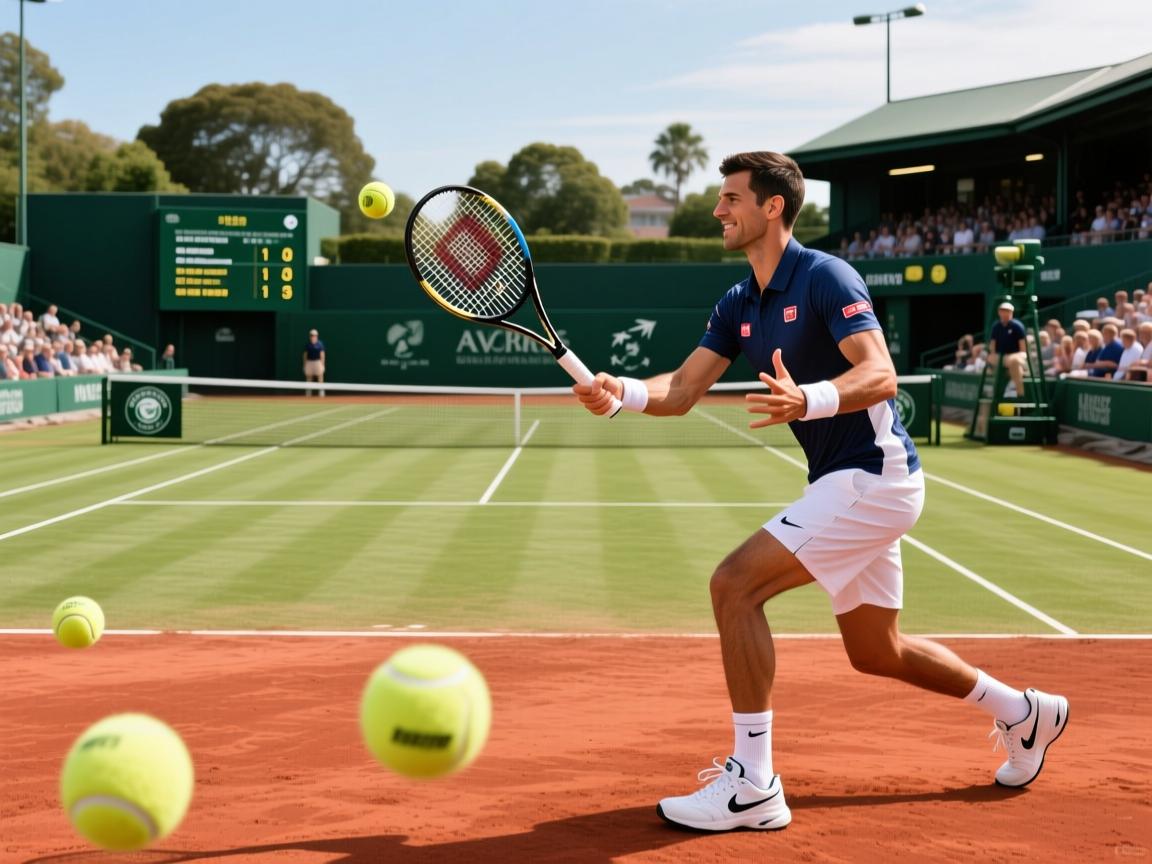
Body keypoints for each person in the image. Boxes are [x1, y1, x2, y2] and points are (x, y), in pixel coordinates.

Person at [572, 151, 1068, 833]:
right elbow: (683, 390)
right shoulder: (739, 300)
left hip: (874, 475)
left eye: (731, 199)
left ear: (773, 207)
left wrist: (808, 398)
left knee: (733, 586)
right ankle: (1023, 711)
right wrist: (620, 392)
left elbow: (882, 374)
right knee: (876, 651)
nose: (718, 210)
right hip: (848, 481)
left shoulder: (826, 275)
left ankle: (753, 784)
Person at [987, 302, 1029, 398]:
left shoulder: (1017, 326)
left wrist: (1011, 358)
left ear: (1012, 313)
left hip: (1016, 355)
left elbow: (1023, 349)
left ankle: (1019, 393)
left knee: (1014, 361)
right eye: (1003, 311)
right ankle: (1000, 392)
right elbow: (992, 346)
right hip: (1000, 356)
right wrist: (993, 356)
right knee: (992, 358)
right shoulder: (996, 327)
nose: (1005, 313)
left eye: (1008, 311)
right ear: (999, 312)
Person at [303, 328, 326, 396]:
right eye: (311, 335)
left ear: (317, 336)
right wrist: (304, 365)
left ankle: (321, 392)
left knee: (320, 377)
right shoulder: (308, 345)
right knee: (309, 377)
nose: (313, 336)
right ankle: (308, 392)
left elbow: (322, 355)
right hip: (309, 362)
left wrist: (322, 364)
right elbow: (305, 355)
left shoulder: (320, 344)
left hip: (318, 362)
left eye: (314, 335)